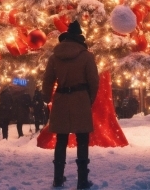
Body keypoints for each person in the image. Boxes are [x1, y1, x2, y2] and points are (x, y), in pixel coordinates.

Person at [42, 19, 100, 190]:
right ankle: (82, 180)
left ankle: (58, 178)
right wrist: (89, 99)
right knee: (82, 139)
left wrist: (47, 98)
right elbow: (94, 81)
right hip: (80, 98)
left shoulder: (55, 57)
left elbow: (47, 80)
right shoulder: (87, 56)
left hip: (61, 99)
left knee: (61, 140)